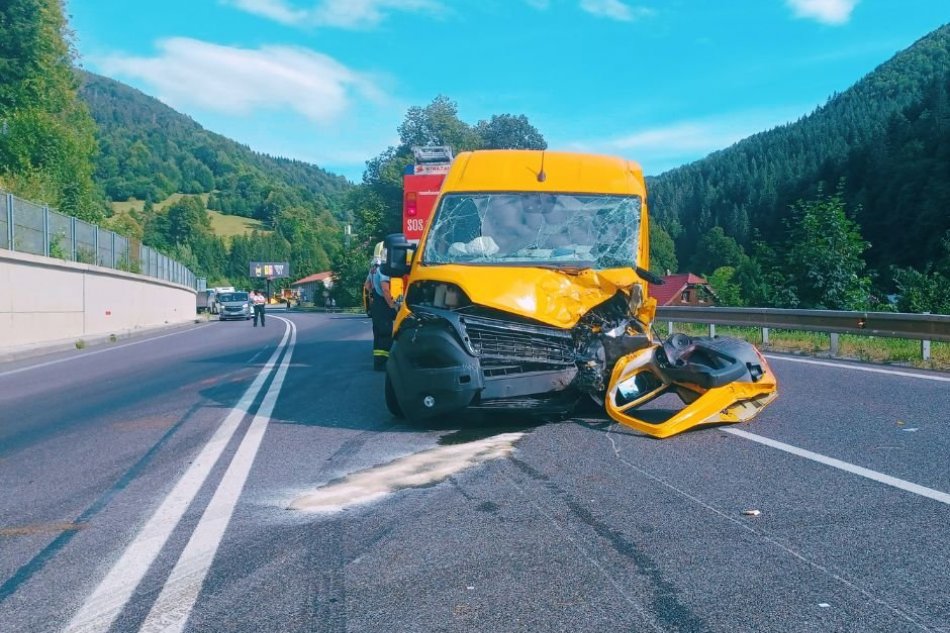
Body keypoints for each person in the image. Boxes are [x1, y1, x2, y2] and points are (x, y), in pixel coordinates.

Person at [364, 253, 396, 371]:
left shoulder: (373, 271)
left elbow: (367, 286)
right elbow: (385, 289)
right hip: (383, 305)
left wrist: (374, 290)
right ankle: (383, 364)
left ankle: (378, 363)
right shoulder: (384, 270)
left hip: (376, 305)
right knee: (386, 334)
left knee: (377, 335)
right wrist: (392, 306)